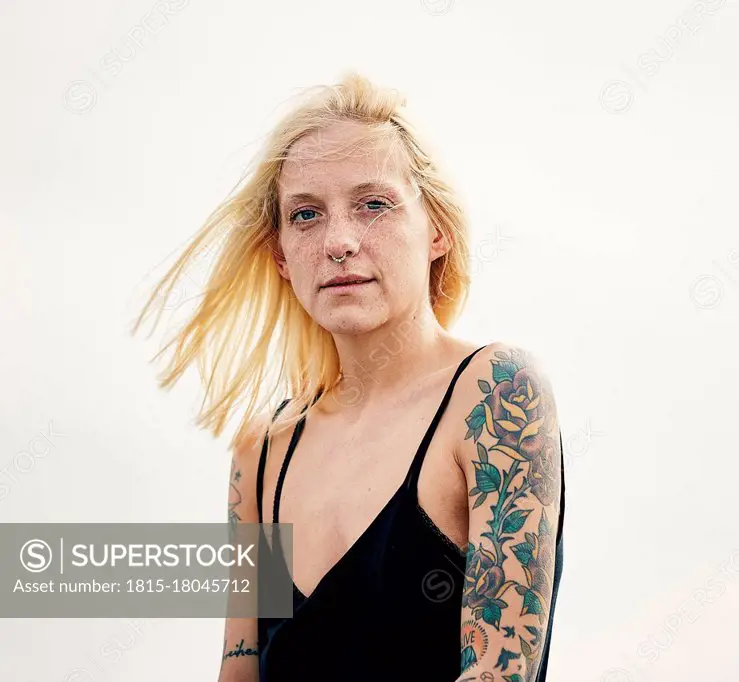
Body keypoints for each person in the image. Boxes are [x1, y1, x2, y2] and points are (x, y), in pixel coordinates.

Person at [131, 70, 565, 681]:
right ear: (281, 255)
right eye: (305, 214)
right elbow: (238, 672)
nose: (338, 242)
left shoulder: (494, 393)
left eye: (374, 204)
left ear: (436, 228)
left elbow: (501, 674)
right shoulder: (262, 453)